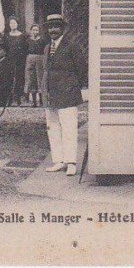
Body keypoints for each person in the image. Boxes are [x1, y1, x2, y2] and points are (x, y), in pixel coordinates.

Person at [43, 13, 85, 176]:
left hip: (68, 93)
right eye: (50, 27)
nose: (53, 30)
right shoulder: (47, 47)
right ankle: (58, 161)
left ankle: (71, 162)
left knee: (69, 128)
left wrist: (72, 86)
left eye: (56, 27)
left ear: (62, 28)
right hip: (51, 93)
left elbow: (81, 69)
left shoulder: (71, 46)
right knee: (53, 127)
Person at [4, 16, 28, 106]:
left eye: (14, 23)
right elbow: (5, 48)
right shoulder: (6, 36)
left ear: (17, 24)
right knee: (9, 78)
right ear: (9, 25)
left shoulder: (22, 36)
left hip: (20, 60)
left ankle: (18, 99)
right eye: (11, 23)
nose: (13, 25)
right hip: (9, 59)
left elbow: (25, 48)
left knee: (19, 78)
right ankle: (9, 99)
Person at [24, 23, 48, 107]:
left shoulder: (42, 40)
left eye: (36, 30)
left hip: (40, 59)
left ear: (39, 31)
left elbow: (45, 50)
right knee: (31, 79)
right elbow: (25, 50)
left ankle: (41, 100)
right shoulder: (27, 41)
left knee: (40, 79)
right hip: (30, 60)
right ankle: (34, 101)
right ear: (31, 31)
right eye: (33, 30)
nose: (35, 32)